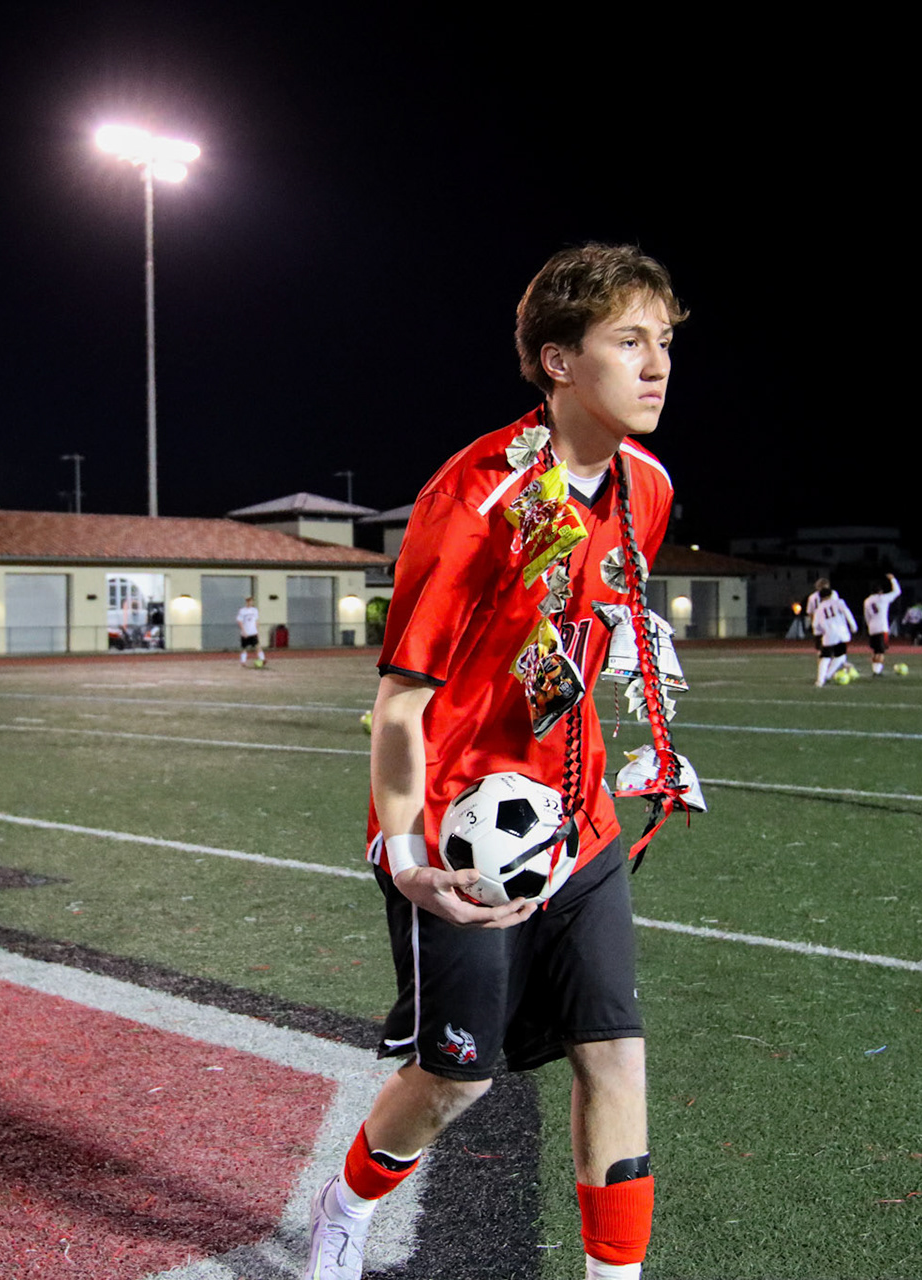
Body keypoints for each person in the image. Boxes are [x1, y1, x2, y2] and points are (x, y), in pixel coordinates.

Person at [307, 244, 683, 1280]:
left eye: (663, 341)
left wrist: (647, 713)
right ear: (558, 361)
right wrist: (405, 855)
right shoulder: (473, 499)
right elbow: (401, 703)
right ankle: (345, 1204)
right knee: (454, 1081)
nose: (657, 365)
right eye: (629, 341)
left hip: (580, 820)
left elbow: (595, 626)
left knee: (615, 1057)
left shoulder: (648, 488)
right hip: (461, 832)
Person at [812, 583, 858, 686]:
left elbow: (815, 625)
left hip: (829, 635)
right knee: (840, 656)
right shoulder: (838, 602)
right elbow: (847, 613)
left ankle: (820, 680)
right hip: (842, 633)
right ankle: (828, 675)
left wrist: (822, 631)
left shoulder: (819, 609)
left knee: (825, 658)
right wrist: (853, 626)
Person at [862, 573, 900, 676]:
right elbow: (897, 592)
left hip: (872, 627)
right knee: (881, 651)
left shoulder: (867, 601)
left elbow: (866, 616)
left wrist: (869, 626)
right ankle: (877, 671)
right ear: (880, 591)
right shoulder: (883, 598)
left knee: (875, 651)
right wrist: (893, 580)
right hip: (882, 627)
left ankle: (875, 670)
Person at [237, 595, 265, 668]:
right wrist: (243, 631)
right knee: (244, 648)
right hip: (245, 632)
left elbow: (256, 621)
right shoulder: (242, 610)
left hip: (253, 632)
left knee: (257, 646)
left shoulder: (255, 610)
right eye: (249, 601)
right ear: (246, 602)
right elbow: (239, 621)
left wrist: (257, 631)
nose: (250, 602)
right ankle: (243, 661)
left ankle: (262, 659)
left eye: (251, 601)